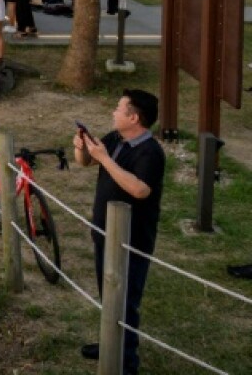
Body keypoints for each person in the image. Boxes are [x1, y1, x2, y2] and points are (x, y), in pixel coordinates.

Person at [74, 90, 166, 375]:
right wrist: (82, 148)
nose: (114, 112)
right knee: (108, 294)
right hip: (103, 230)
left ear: (134, 117)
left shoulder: (151, 152)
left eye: (119, 108)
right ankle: (109, 345)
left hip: (132, 240)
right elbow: (86, 162)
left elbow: (140, 189)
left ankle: (126, 363)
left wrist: (104, 159)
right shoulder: (116, 138)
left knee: (127, 302)